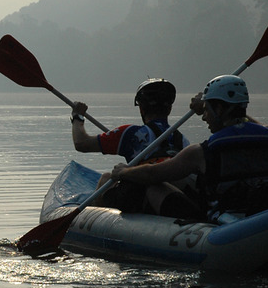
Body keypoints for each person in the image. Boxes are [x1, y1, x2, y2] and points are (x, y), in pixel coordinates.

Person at [109, 75, 268, 222]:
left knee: (153, 188)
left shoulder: (201, 152)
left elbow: (153, 174)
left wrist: (125, 171)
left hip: (225, 221)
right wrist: (207, 104)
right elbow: (256, 127)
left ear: (219, 110)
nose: (204, 117)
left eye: (207, 111)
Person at [69, 78, 190, 213]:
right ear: (169, 108)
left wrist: (77, 117)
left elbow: (81, 143)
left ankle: (96, 214)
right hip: (172, 198)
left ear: (142, 109)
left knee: (106, 178)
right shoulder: (183, 141)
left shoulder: (130, 134)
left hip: (141, 199)